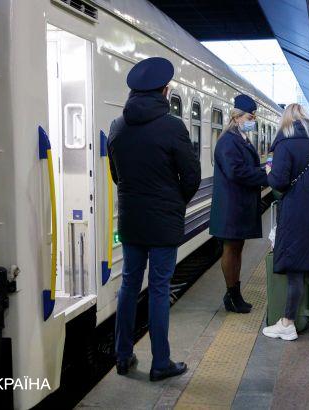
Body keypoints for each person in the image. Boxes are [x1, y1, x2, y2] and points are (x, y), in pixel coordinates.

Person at [108, 57, 201, 381]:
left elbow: (116, 175)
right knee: (159, 288)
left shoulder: (117, 126)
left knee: (129, 285)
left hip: (132, 222)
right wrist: (175, 203)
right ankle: (160, 363)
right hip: (163, 223)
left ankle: (123, 356)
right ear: (165, 90)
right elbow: (192, 175)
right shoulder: (173, 126)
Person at [261, 103, 309, 341]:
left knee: (295, 268)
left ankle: (287, 323)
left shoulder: (284, 144)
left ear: (286, 122)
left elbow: (279, 182)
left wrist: (270, 170)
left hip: (295, 211)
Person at [209, 94, 268, 314]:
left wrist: (262, 171)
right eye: (251, 116)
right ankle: (231, 295)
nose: (253, 120)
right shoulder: (228, 141)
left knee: (237, 248)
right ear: (237, 117)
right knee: (231, 248)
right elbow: (236, 172)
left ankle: (234, 294)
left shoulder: (239, 138)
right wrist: (265, 174)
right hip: (231, 207)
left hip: (238, 204)